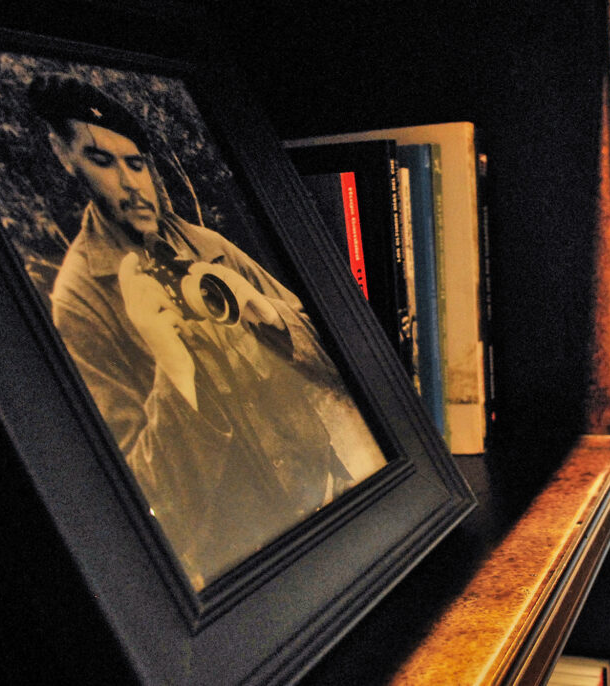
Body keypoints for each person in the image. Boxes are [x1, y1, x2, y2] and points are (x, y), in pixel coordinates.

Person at [27, 74, 383, 589]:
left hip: (326, 495)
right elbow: (138, 504)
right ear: (65, 156)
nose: (131, 183)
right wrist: (171, 369)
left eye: (136, 163)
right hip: (245, 562)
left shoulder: (205, 246)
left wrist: (268, 315)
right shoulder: (80, 304)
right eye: (102, 161)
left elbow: (339, 360)